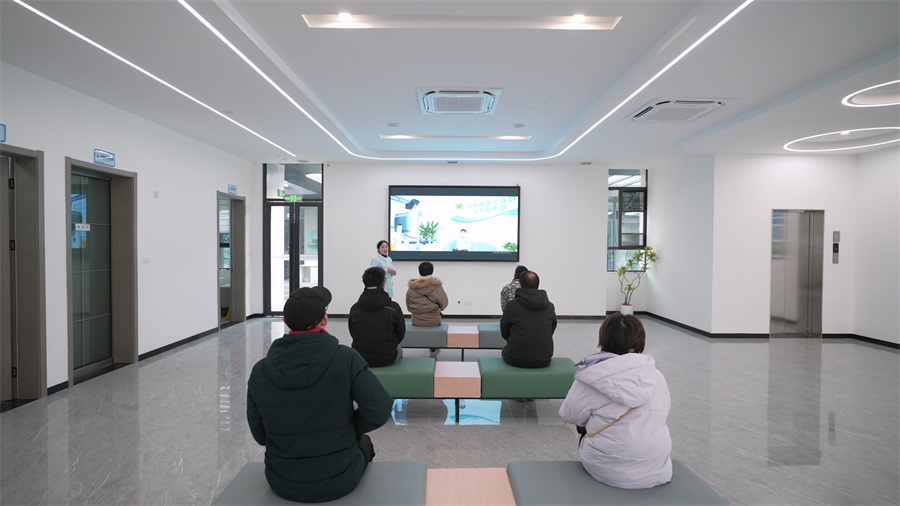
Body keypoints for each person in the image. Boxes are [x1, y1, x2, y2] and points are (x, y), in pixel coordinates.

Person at [247, 286, 393, 503]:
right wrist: (351, 428)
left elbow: (260, 435)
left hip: (282, 479)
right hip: (341, 478)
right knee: (366, 443)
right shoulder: (346, 358)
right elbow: (379, 409)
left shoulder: (260, 370)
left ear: (285, 321)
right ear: (324, 320)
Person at [559, 313, 672, 490]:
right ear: (639, 341)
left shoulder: (591, 376)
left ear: (603, 338)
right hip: (657, 466)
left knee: (586, 427)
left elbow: (569, 415)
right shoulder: (656, 376)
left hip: (608, 468)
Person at [349, 267, 406, 367]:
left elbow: (353, 332)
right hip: (387, 358)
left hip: (360, 357)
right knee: (399, 349)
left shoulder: (355, 309)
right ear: (383, 284)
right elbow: (401, 334)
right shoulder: (393, 308)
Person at [500, 270, 556, 368]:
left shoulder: (511, 306)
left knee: (505, 349)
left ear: (520, 285)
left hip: (515, 359)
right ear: (538, 285)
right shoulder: (550, 306)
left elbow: (504, 332)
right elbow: (552, 329)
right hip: (544, 359)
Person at [405, 261, 449, 327]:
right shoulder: (436, 286)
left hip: (416, 321)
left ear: (419, 271)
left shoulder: (412, 287)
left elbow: (408, 306)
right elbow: (444, 303)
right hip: (434, 321)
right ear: (432, 271)